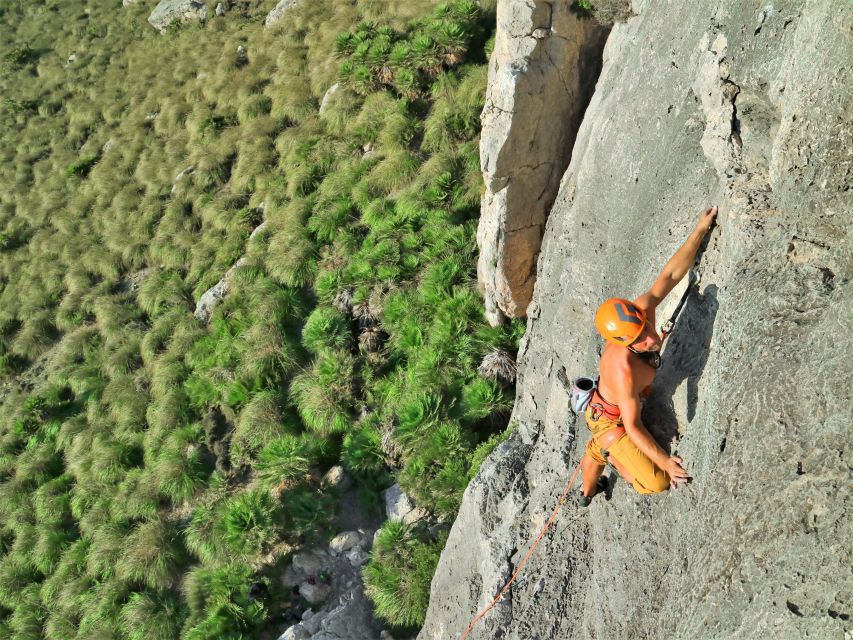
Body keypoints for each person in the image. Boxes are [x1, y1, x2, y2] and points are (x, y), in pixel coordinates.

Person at [579, 205, 718, 504]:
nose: (652, 337)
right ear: (624, 343)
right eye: (640, 339)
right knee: (656, 483)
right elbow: (633, 426)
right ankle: (603, 452)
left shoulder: (641, 312)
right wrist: (667, 463)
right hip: (612, 422)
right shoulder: (623, 371)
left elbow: (669, 275)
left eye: (646, 327)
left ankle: (599, 454)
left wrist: (700, 230)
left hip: (614, 405)